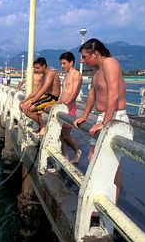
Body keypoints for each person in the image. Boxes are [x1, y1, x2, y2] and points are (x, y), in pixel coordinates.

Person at [72, 38, 128, 205]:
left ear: (95, 54)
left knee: (110, 163)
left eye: (84, 56)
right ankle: (103, 200)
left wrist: (105, 123)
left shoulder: (110, 63)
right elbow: (91, 95)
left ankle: (112, 204)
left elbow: (113, 94)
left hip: (115, 117)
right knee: (92, 157)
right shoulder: (96, 70)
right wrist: (85, 115)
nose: (82, 61)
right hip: (103, 116)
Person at [19, 57, 61, 136]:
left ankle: (43, 126)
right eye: (35, 68)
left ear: (44, 66)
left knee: (29, 109)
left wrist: (32, 102)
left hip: (52, 97)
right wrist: (26, 100)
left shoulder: (51, 73)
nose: (36, 70)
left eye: (38, 68)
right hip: (45, 96)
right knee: (22, 106)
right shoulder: (43, 75)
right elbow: (37, 90)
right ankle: (40, 125)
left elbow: (43, 89)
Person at [57, 52, 83, 163]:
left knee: (66, 135)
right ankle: (64, 157)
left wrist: (66, 104)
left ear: (71, 62)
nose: (62, 66)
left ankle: (77, 151)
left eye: (64, 63)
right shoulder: (67, 75)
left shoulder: (76, 74)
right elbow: (64, 92)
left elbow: (74, 92)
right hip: (63, 106)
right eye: (61, 64)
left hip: (69, 107)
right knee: (61, 135)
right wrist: (58, 103)